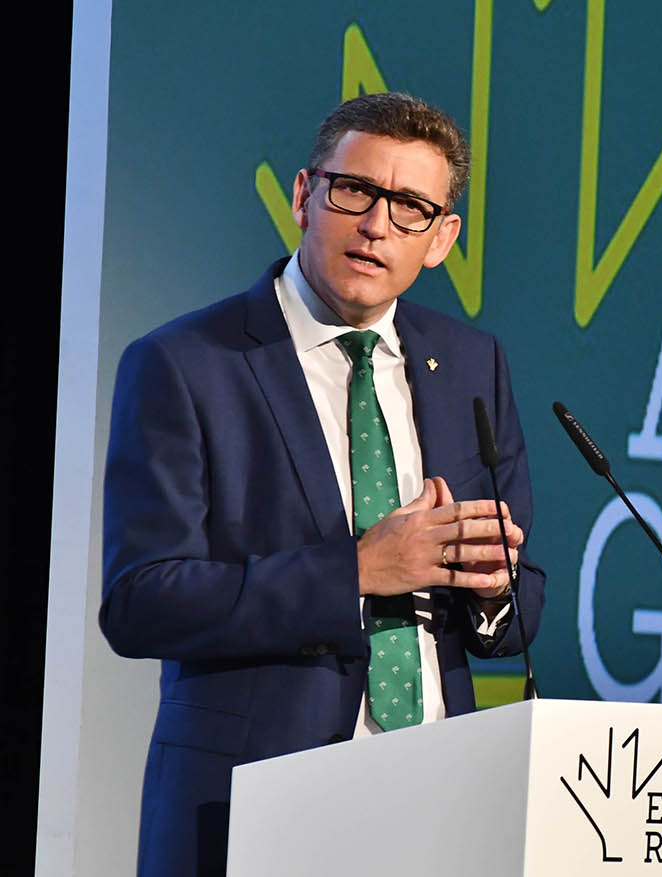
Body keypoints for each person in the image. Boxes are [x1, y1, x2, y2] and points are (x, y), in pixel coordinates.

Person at [100, 92, 545, 877]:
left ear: (442, 239)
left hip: (439, 804)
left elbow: (519, 600)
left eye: (410, 207)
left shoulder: (473, 365)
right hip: (255, 805)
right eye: (355, 191)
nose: (376, 224)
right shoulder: (187, 363)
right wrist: (358, 571)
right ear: (305, 197)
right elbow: (142, 600)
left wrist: (489, 588)